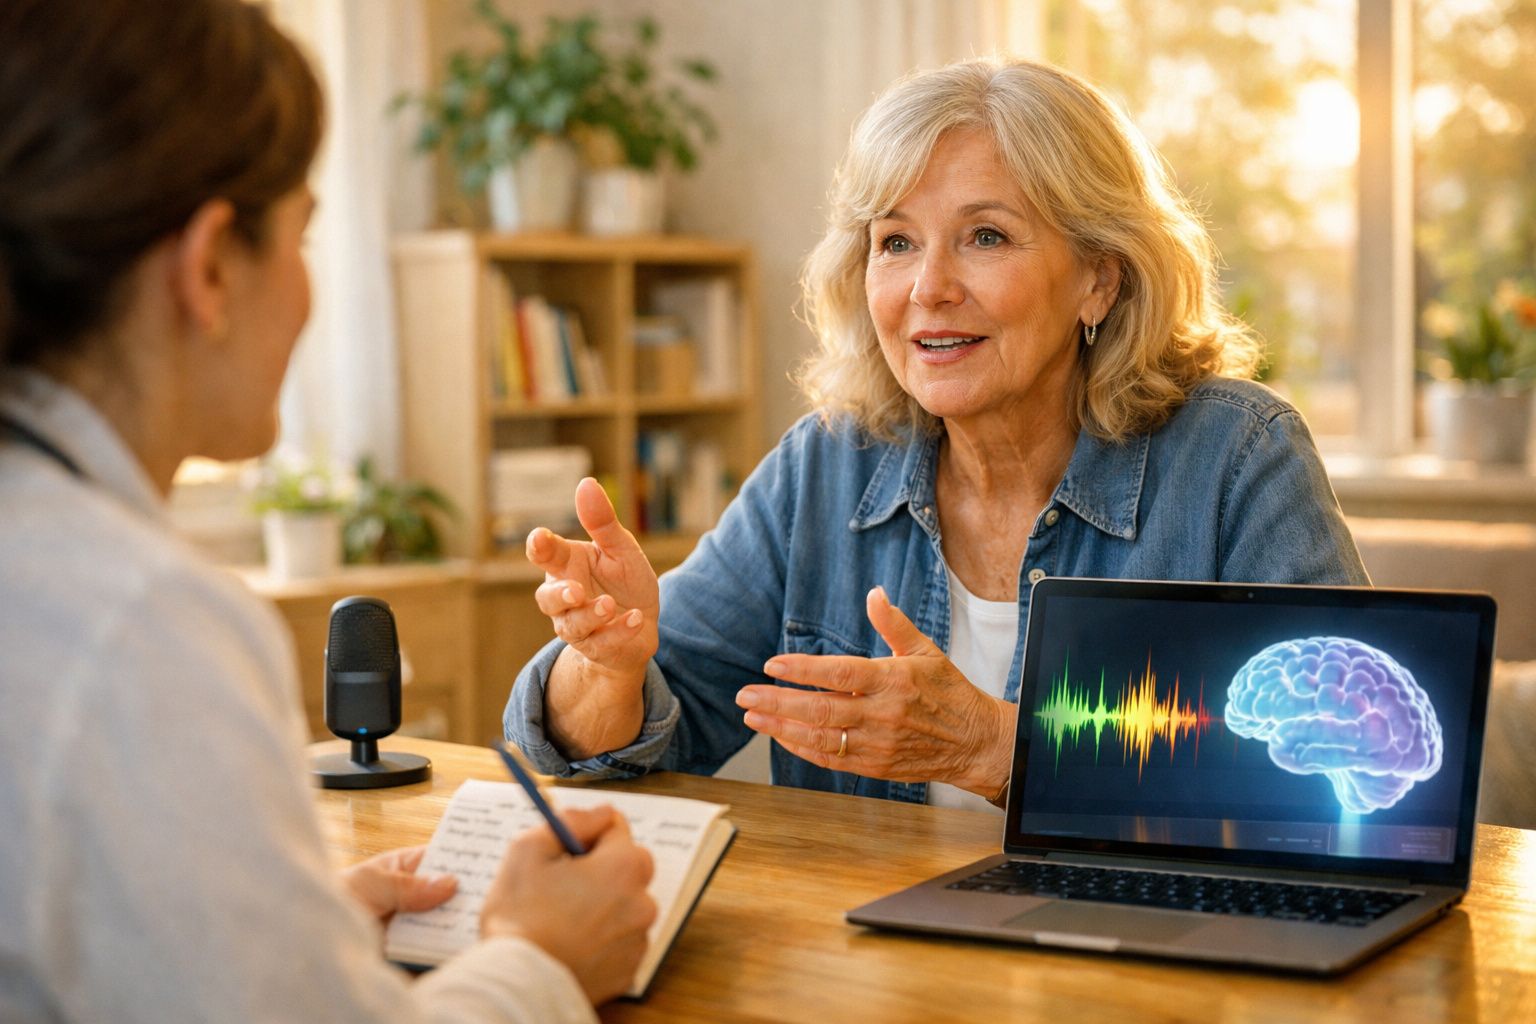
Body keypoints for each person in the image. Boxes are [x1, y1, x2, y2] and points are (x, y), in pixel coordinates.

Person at [0, 2, 655, 1021]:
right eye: (304, 236)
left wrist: (299, 934)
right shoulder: (136, 627)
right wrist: (541, 959)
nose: (310, 294)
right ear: (212, 265)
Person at [505, 57, 1368, 812]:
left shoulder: (1237, 460)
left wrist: (1000, 751)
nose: (929, 287)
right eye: (896, 242)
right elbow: (622, 750)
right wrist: (606, 669)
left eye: (985, 236)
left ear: (1100, 279)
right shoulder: (826, 467)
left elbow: (1352, 778)